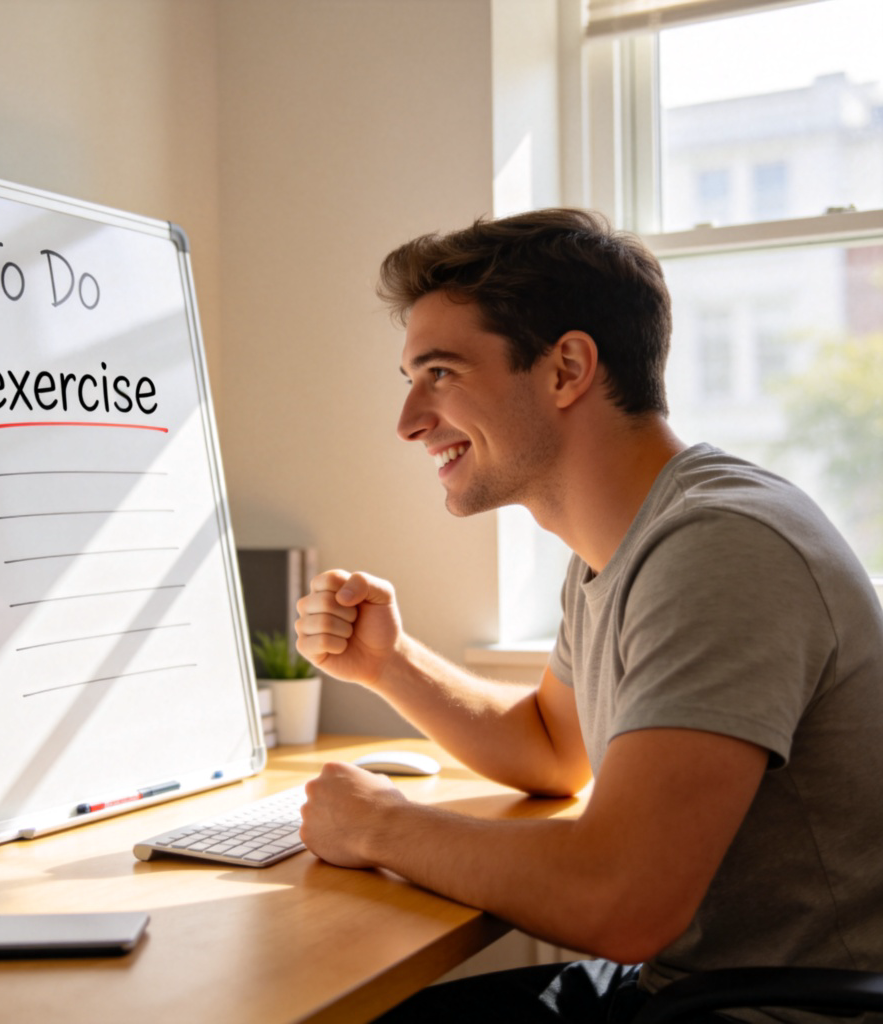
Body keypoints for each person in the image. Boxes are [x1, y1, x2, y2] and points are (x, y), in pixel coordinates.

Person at [293, 208, 883, 1023]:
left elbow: (621, 900)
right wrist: (389, 664)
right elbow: (552, 747)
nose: (409, 423)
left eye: (440, 374)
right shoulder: (619, 545)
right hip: (683, 989)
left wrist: (382, 828)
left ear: (566, 368)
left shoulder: (721, 546)